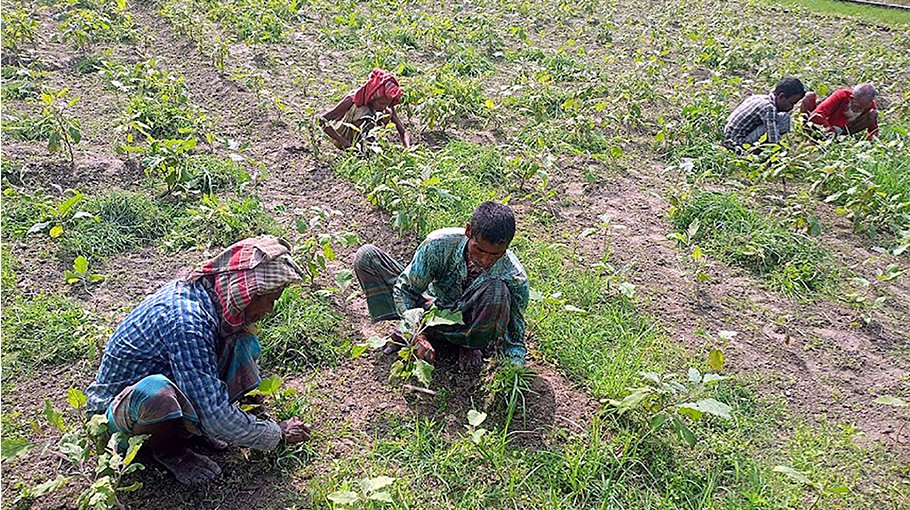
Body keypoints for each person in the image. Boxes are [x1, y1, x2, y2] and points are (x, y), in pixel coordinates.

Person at [86, 236, 311, 485]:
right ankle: (168, 450)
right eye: (271, 298)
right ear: (247, 294)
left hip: (170, 381)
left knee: (242, 341)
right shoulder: (188, 323)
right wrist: (274, 433)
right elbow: (215, 416)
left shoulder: (210, 298)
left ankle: (188, 427)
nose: (270, 309)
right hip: (117, 415)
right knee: (156, 394)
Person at [353, 202, 529, 369]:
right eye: (479, 250)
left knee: (498, 290)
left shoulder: (514, 276)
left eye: (495, 254)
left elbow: (515, 335)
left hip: (472, 322)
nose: (485, 260)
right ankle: (421, 333)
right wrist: (415, 332)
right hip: (432, 311)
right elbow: (406, 290)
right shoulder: (439, 244)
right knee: (367, 257)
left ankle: (469, 344)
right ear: (468, 231)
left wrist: (514, 370)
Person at [319, 68, 410, 150]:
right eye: (381, 103)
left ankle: (369, 144)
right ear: (373, 98)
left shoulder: (386, 102)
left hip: (369, 142)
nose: (383, 106)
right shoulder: (353, 99)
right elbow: (322, 120)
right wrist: (345, 143)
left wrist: (408, 149)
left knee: (387, 113)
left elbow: (402, 131)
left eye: (387, 104)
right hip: (345, 140)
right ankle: (361, 145)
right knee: (363, 112)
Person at [723, 77, 806, 150]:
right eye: (792, 103)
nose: (792, 107)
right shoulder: (769, 108)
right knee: (784, 119)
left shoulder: (758, 97)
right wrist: (780, 152)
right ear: (781, 96)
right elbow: (772, 138)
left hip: (728, 136)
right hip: (737, 143)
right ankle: (755, 152)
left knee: (781, 118)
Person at [801, 83, 879, 139]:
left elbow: (873, 130)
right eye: (856, 106)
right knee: (809, 97)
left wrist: (871, 142)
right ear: (851, 98)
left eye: (862, 108)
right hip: (823, 126)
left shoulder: (870, 106)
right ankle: (805, 129)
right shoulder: (841, 95)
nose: (858, 110)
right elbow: (817, 114)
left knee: (873, 114)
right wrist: (830, 133)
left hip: (845, 130)